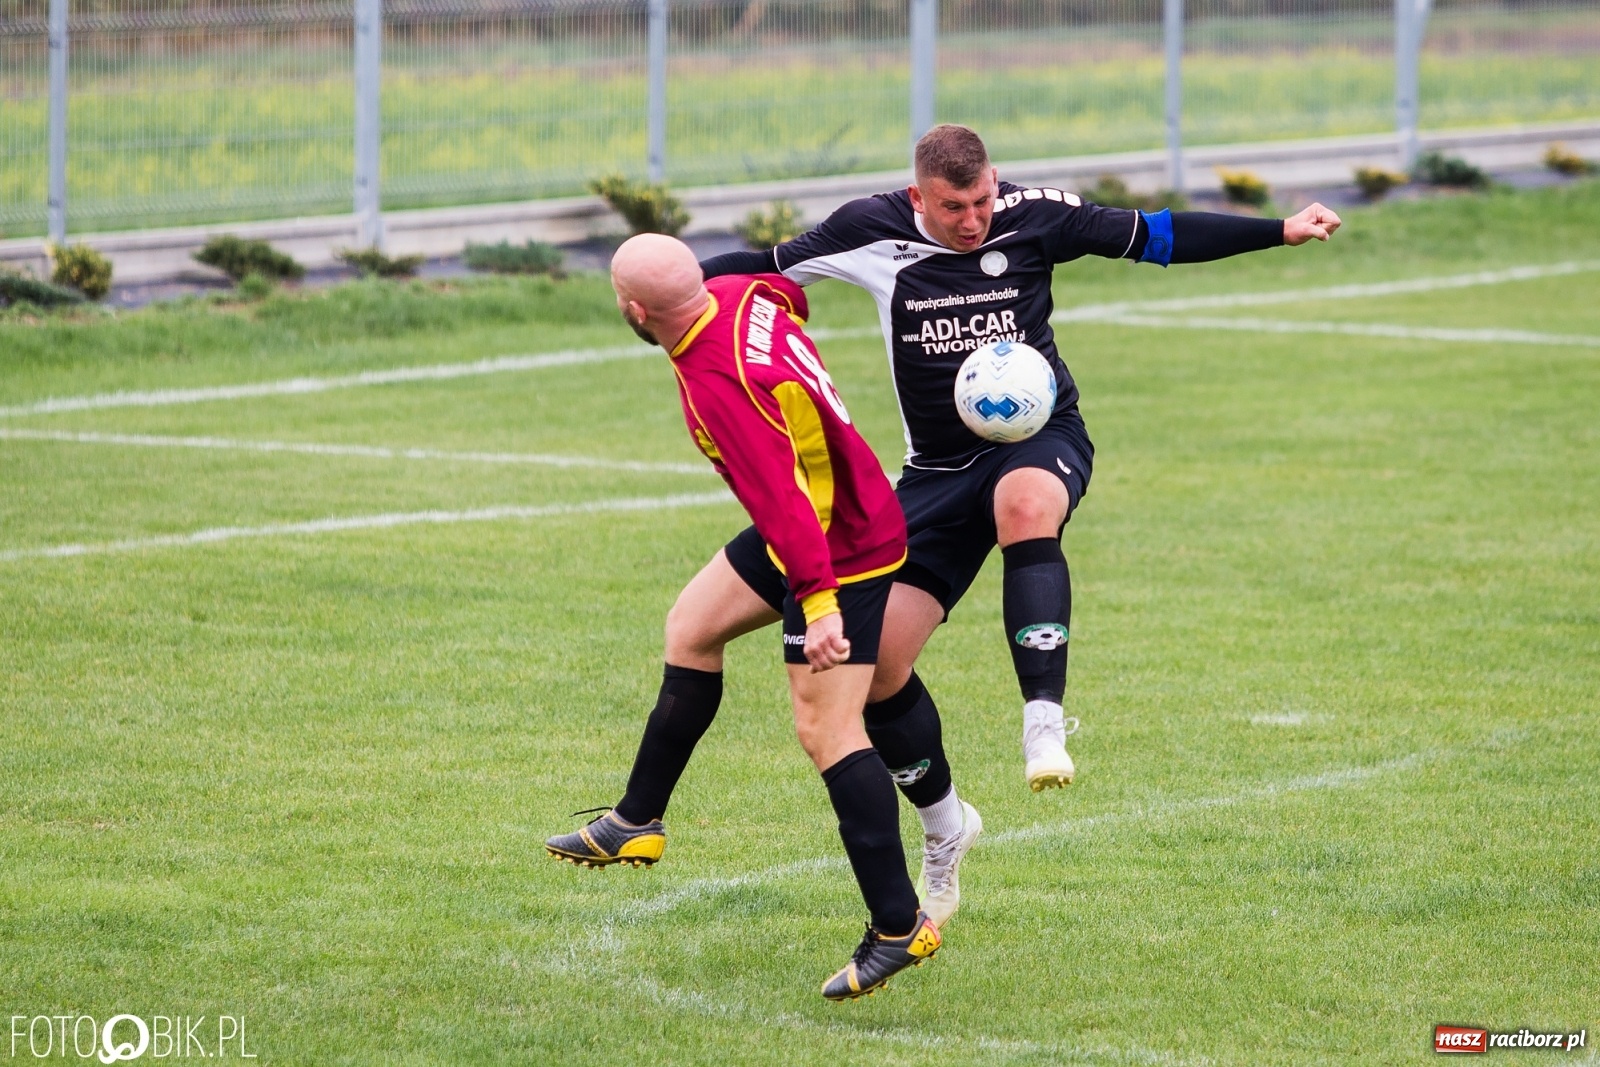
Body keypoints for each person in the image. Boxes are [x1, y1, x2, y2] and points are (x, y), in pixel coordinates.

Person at [698, 123, 1343, 797]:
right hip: (937, 471)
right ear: (919, 197)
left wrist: (1280, 229)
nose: (972, 220)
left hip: (1042, 437)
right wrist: (669, 287)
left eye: (981, 200)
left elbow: (1155, 236)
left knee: (1026, 503)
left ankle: (1044, 723)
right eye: (953, 207)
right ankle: (947, 825)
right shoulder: (870, 229)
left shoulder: (1036, 214)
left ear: (994, 180)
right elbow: (762, 264)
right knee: (881, 665)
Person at [545, 233, 941, 1001]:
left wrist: (819, 604)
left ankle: (899, 924)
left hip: (839, 543)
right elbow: (787, 293)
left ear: (635, 311)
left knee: (829, 730)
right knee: (691, 627)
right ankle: (636, 821)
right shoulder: (740, 293)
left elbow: (784, 501)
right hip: (832, 515)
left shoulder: (717, 380)